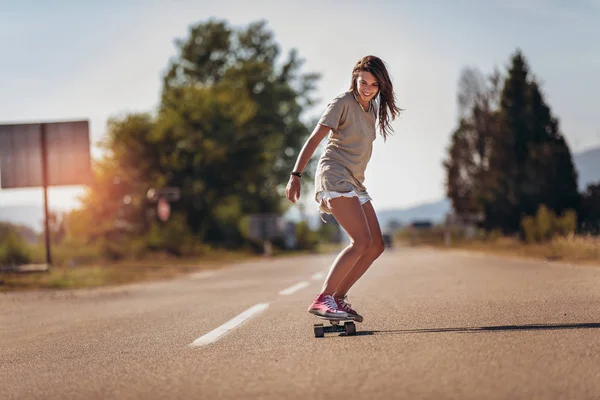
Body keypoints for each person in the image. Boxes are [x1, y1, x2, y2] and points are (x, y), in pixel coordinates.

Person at [285, 55, 402, 323]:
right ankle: (323, 297)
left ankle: (337, 298)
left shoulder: (371, 108)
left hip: (354, 182)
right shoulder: (343, 102)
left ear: (381, 86)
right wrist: (295, 175)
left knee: (376, 246)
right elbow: (315, 138)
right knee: (360, 241)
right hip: (334, 176)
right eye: (363, 82)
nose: (367, 88)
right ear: (355, 78)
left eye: (373, 84)